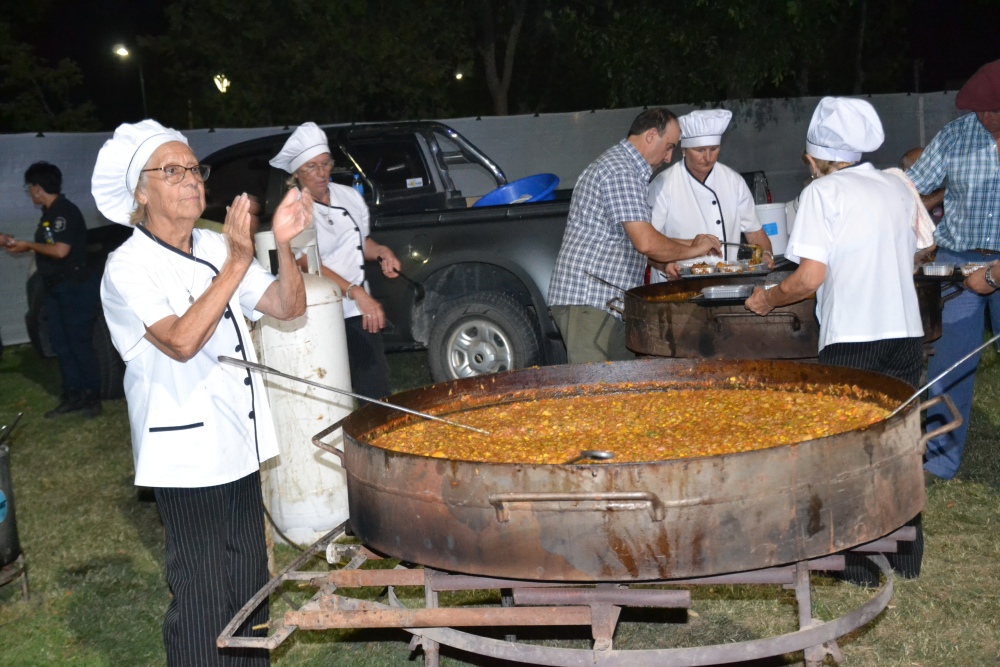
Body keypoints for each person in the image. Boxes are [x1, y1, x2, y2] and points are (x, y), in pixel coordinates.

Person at [92, 119, 312, 666]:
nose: (191, 179)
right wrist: (238, 260)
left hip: (238, 440)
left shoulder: (215, 243)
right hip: (186, 455)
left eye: (194, 168)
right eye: (172, 171)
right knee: (204, 593)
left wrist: (284, 246)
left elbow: (288, 307)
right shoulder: (127, 266)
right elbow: (183, 340)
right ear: (141, 193)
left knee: (249, 582)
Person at [744, 97, 925, 585]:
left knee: (848, 452)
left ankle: (860, 567)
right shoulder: (895, 186)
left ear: (813, 158)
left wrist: (768, 300)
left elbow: (808, 278)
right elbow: (917, 253)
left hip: (852, 339)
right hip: (905, 333)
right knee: (899, 445)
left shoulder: (823, 194)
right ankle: (907, 558)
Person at [547, 108, 721, 363]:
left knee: (623, 388)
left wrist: (673, 256)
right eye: (669, 146)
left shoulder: (627, 169)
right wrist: (694, 249)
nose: (668, 157)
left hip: (607, 303)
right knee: (595, 393)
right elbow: (646, 242)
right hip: (589, 301)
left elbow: (632, 239)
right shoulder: (621, 171)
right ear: (651, 135)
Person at [905, 59, 1000, 483]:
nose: (984, 117)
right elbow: (909, 188)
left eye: (993, 109)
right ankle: (939, 458)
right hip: (959, 260)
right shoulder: (956, 136)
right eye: (978, 109)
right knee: (950, 363)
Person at [270, 122, 401, 399]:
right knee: (330, 392)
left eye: (325, 163)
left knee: (375, 389)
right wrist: (355, 292)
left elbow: (360, 241)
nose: (322, 173)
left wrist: (380, 251)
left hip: (356, 308)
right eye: (311, 167)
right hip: (318, 310)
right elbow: (305, 261)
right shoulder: (292, 207)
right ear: (296, 172)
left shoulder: (349, 196)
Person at [4, 162, 101, 418]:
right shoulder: (49, 214)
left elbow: (60, 250)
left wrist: (28, 245)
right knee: (62, 343)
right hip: (57, 289)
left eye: (30, 187)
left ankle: (92, 398)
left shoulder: (64, 212)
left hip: (75, 287)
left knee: (78, 343)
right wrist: (16, 242)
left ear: (38, 187)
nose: (30, 192)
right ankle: (73, 395)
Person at [648, 109, 773, 281]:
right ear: (684, 150)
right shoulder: (664, 185)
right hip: (675, 285)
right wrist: (665, 266)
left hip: (726, 283)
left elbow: (755, 233)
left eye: (713, 149)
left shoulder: (733, 181)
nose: (708, 157)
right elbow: (648, 244)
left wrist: (766, 254)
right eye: (699, 150)